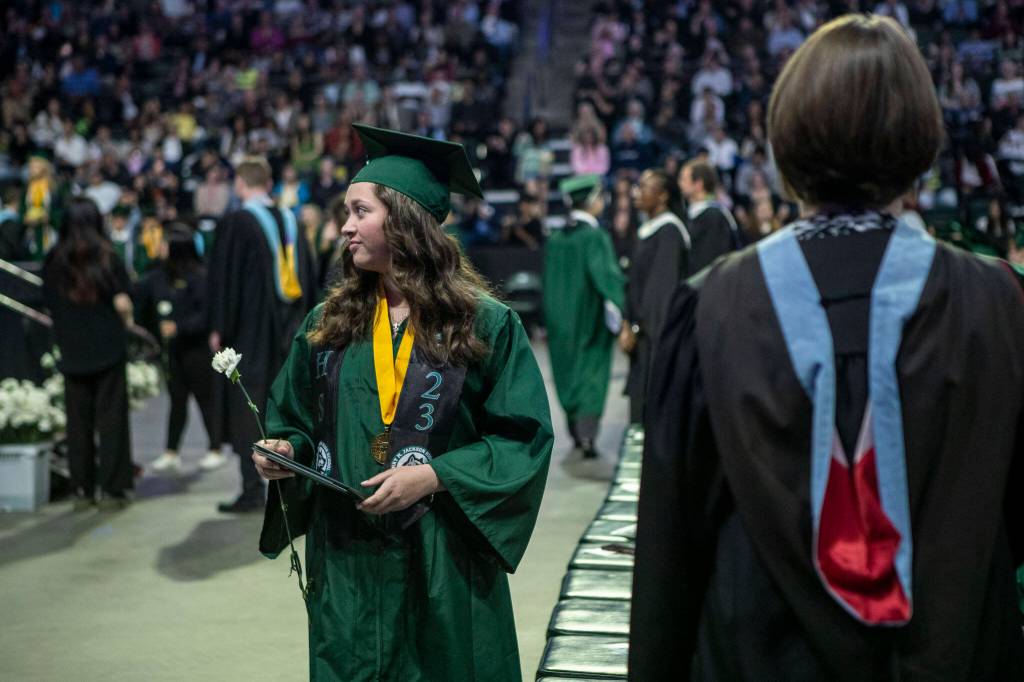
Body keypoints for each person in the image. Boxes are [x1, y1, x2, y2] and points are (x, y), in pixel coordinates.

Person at [630, 15, 1024, 681]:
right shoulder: (997, 299)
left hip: (754, 656)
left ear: (787, 135)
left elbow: (673, 545)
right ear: (922, 136)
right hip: (955, 650)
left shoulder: (712, 305)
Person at [252, 124, 553, 681]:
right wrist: (282, 450)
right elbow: (295, 419)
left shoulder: (484, 324)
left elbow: (521, 439)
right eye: (346, 212)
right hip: (347, 562)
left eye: (360, 211)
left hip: (441, 559)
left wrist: (435, 476)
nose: (345, 227)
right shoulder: (328, 325)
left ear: (406, 221)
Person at [207, 156, 318, 513]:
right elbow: (311, 276)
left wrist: (220, 328)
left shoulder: (238, 222)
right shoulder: (293, 221)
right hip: (293, 328)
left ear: (241, 184)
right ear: (268, 183)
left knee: (249, 406)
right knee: (290, 404)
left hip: (250, 333)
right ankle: (297, 486)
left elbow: (226, 281)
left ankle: (253, 489)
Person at [41, 197, 134, 510]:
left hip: (72, 348)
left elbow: (49, 303)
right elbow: (122, 301)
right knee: (112, 419)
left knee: (77, 422)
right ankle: (112, 487)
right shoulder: (107, 257)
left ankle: (82, 487)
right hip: (108, 346)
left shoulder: (53, 259)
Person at [543, 174, 625, 458]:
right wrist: (624, 307)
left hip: (559, 320)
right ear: (592, 202)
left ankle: (577, 434)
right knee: (590, 372)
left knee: (567, 371)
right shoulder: (595, 238)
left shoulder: (556, 239)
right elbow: (607, 278)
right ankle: (588, 435)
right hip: (588, 319)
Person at [134, 223, 221, 474]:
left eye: (165, 243)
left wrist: (179, 327)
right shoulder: (158, 275)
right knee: (177, 400)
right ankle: (171, 452)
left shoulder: (199, 277)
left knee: (205, 400)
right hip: (173, 352)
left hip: (197, 350)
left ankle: (215, 448)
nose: (160, 247)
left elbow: (205, 316)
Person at [619, 169, 690, 424]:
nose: (637, 191)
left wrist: (637, 328)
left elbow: (660, 292)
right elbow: (633, 284)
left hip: (657, 335)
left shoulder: (670, 232)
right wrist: (626, 321)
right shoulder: (646, 230)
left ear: (662, 196)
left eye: (646, 187)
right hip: (642, 335)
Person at [679, 158, 742, 273]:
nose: (680, 183)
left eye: (683, 179)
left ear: (698, 184)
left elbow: (711, 261)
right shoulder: (692, 214)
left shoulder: (714, 216)